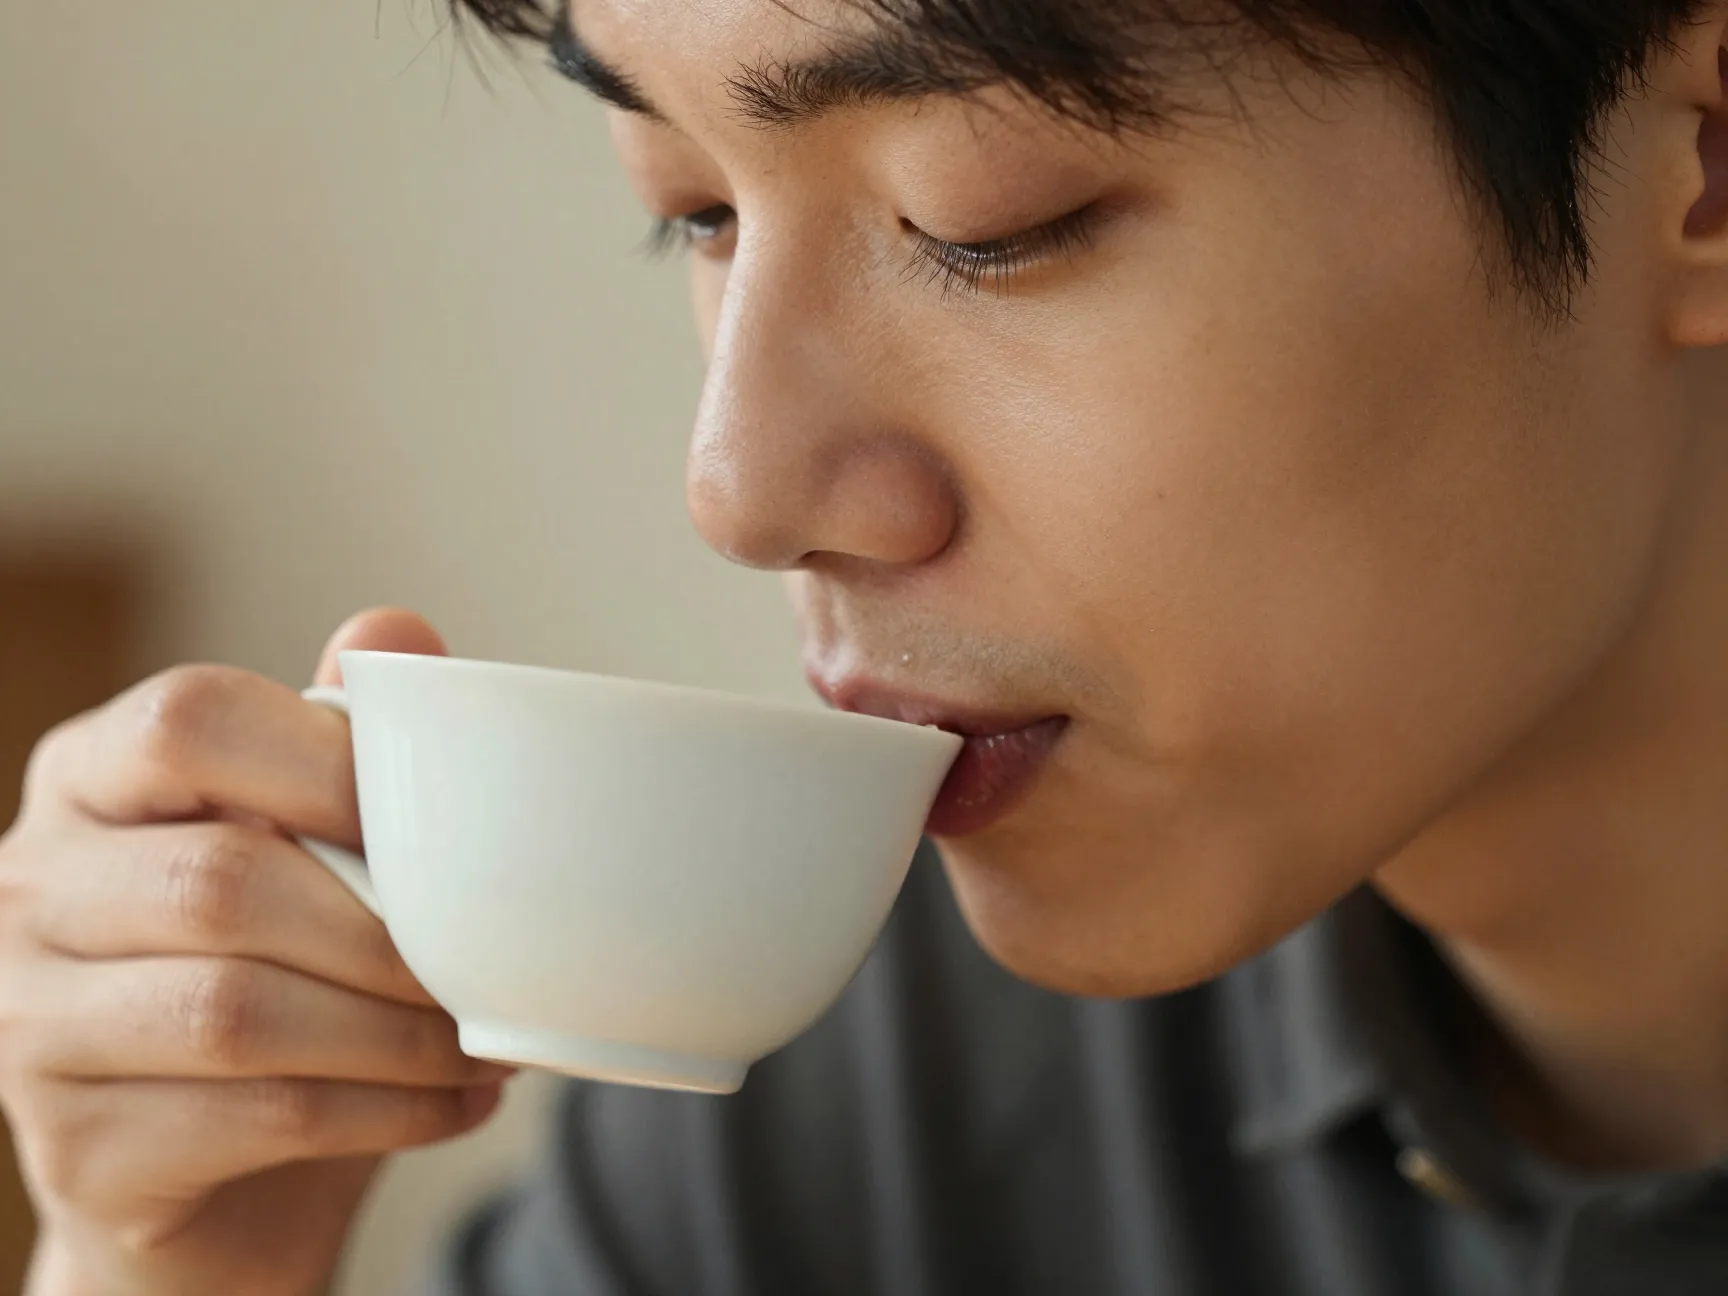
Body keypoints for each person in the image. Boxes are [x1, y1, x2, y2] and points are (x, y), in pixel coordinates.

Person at [7, 0, 1728, 1291]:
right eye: (696, 210)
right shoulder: (854, 1084)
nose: (736, 489)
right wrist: (166, 1268)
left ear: (1703, 162)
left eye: (984, 221)